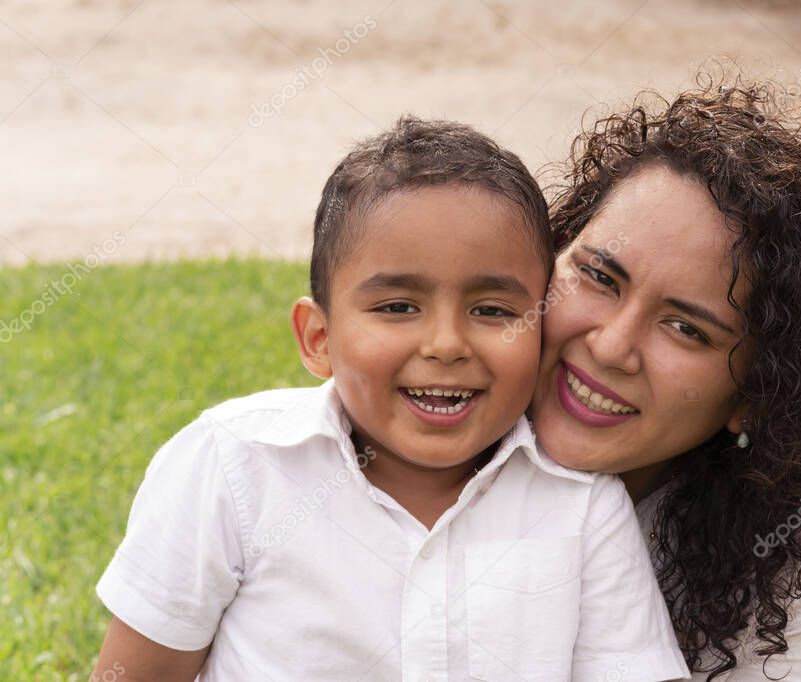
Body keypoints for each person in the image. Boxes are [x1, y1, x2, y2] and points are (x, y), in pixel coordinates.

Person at [90, 117, 690, 681]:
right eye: (398, 307)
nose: (447, 344)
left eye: (492, 311)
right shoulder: (232, 467)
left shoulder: (583, 508)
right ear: (318, 338)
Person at [529, 77, 801, 680]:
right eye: (600, 277)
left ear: (757, 397)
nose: (611, 347)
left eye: (686, 329)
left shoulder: (790, 541)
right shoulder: (396, 439)